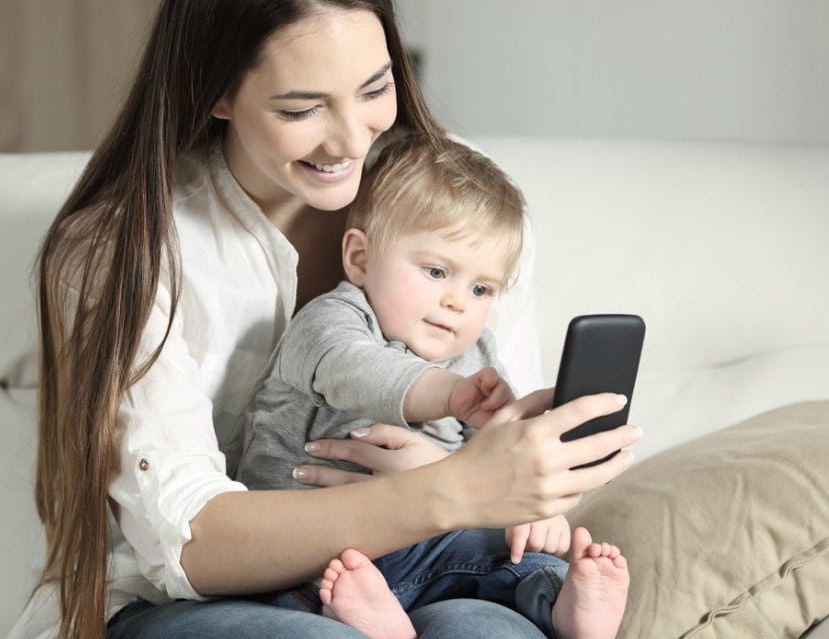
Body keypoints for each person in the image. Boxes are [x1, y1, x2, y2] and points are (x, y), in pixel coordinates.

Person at [9, 0, 641, 639]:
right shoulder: (123, 249)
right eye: (302, 108)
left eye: (375, 89)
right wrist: (446, 491)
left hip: (426, 573)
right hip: (192, 605)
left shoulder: (462, 218)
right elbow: (188, 545)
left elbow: (497, 457)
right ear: (215, 91)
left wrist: (527, 486)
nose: (351, 139)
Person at [237, 138, 629, 639]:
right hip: (314, 541)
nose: (458, 302)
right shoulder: (331, 322)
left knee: (514, 557)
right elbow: (353, 371)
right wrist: (449, 395)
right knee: (316, 580)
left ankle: (559, 604)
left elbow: (494, 464)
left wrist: (536, 511)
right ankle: (362, 617)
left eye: (481, 288)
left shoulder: (479, 355)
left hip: (431, 551)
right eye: (437, 271)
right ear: (360, 258)